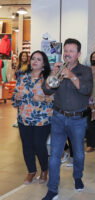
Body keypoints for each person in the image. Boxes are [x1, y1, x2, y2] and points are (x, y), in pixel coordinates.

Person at [41, 38, 93, 200]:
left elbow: (86, 90)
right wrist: (51, 74)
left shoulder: (85, 71)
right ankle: (53, 189)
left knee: (78, 154)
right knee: (55, 155)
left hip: (78, 119)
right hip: (58, 117)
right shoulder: (57, 69)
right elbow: (47, 90)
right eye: (66, 51)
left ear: (78, 54)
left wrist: (71, 76)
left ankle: (77, 177)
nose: (67, 54)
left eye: (71, 51)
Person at [12, 50, 52, 185]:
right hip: (24, 118)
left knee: (39, 145)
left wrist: (41, 98)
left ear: (44, 64)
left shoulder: (48, 79)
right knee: (27, 145)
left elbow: (54, 99)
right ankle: (31, 171)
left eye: (39, 59)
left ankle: (45, 170)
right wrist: (16, 98)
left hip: (42, 119)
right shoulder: (22, 78)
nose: (35, 61)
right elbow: (14, 100)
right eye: (33, 58)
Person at [13, 51, 29, 128]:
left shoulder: (28, 66)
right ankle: (18, 120)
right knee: (18, 104)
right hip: (17, 86)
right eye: (22, 56)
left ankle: (23, 120)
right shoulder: (18, 65)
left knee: (23, 104)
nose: (24, 57)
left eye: (25, 56)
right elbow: (15, 76)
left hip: (24, 87)